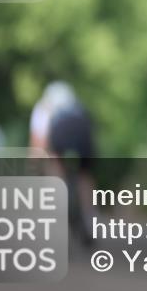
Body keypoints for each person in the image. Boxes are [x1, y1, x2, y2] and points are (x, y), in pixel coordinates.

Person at [29, 80, 97, 245]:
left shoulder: (43, 107)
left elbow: (39, 141)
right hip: (83, 138)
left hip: (60, 138)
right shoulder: (77, 105)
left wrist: (33, 164)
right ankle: (90, 219)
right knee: (84, 176)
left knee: (55, 169)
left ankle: (57, 220)